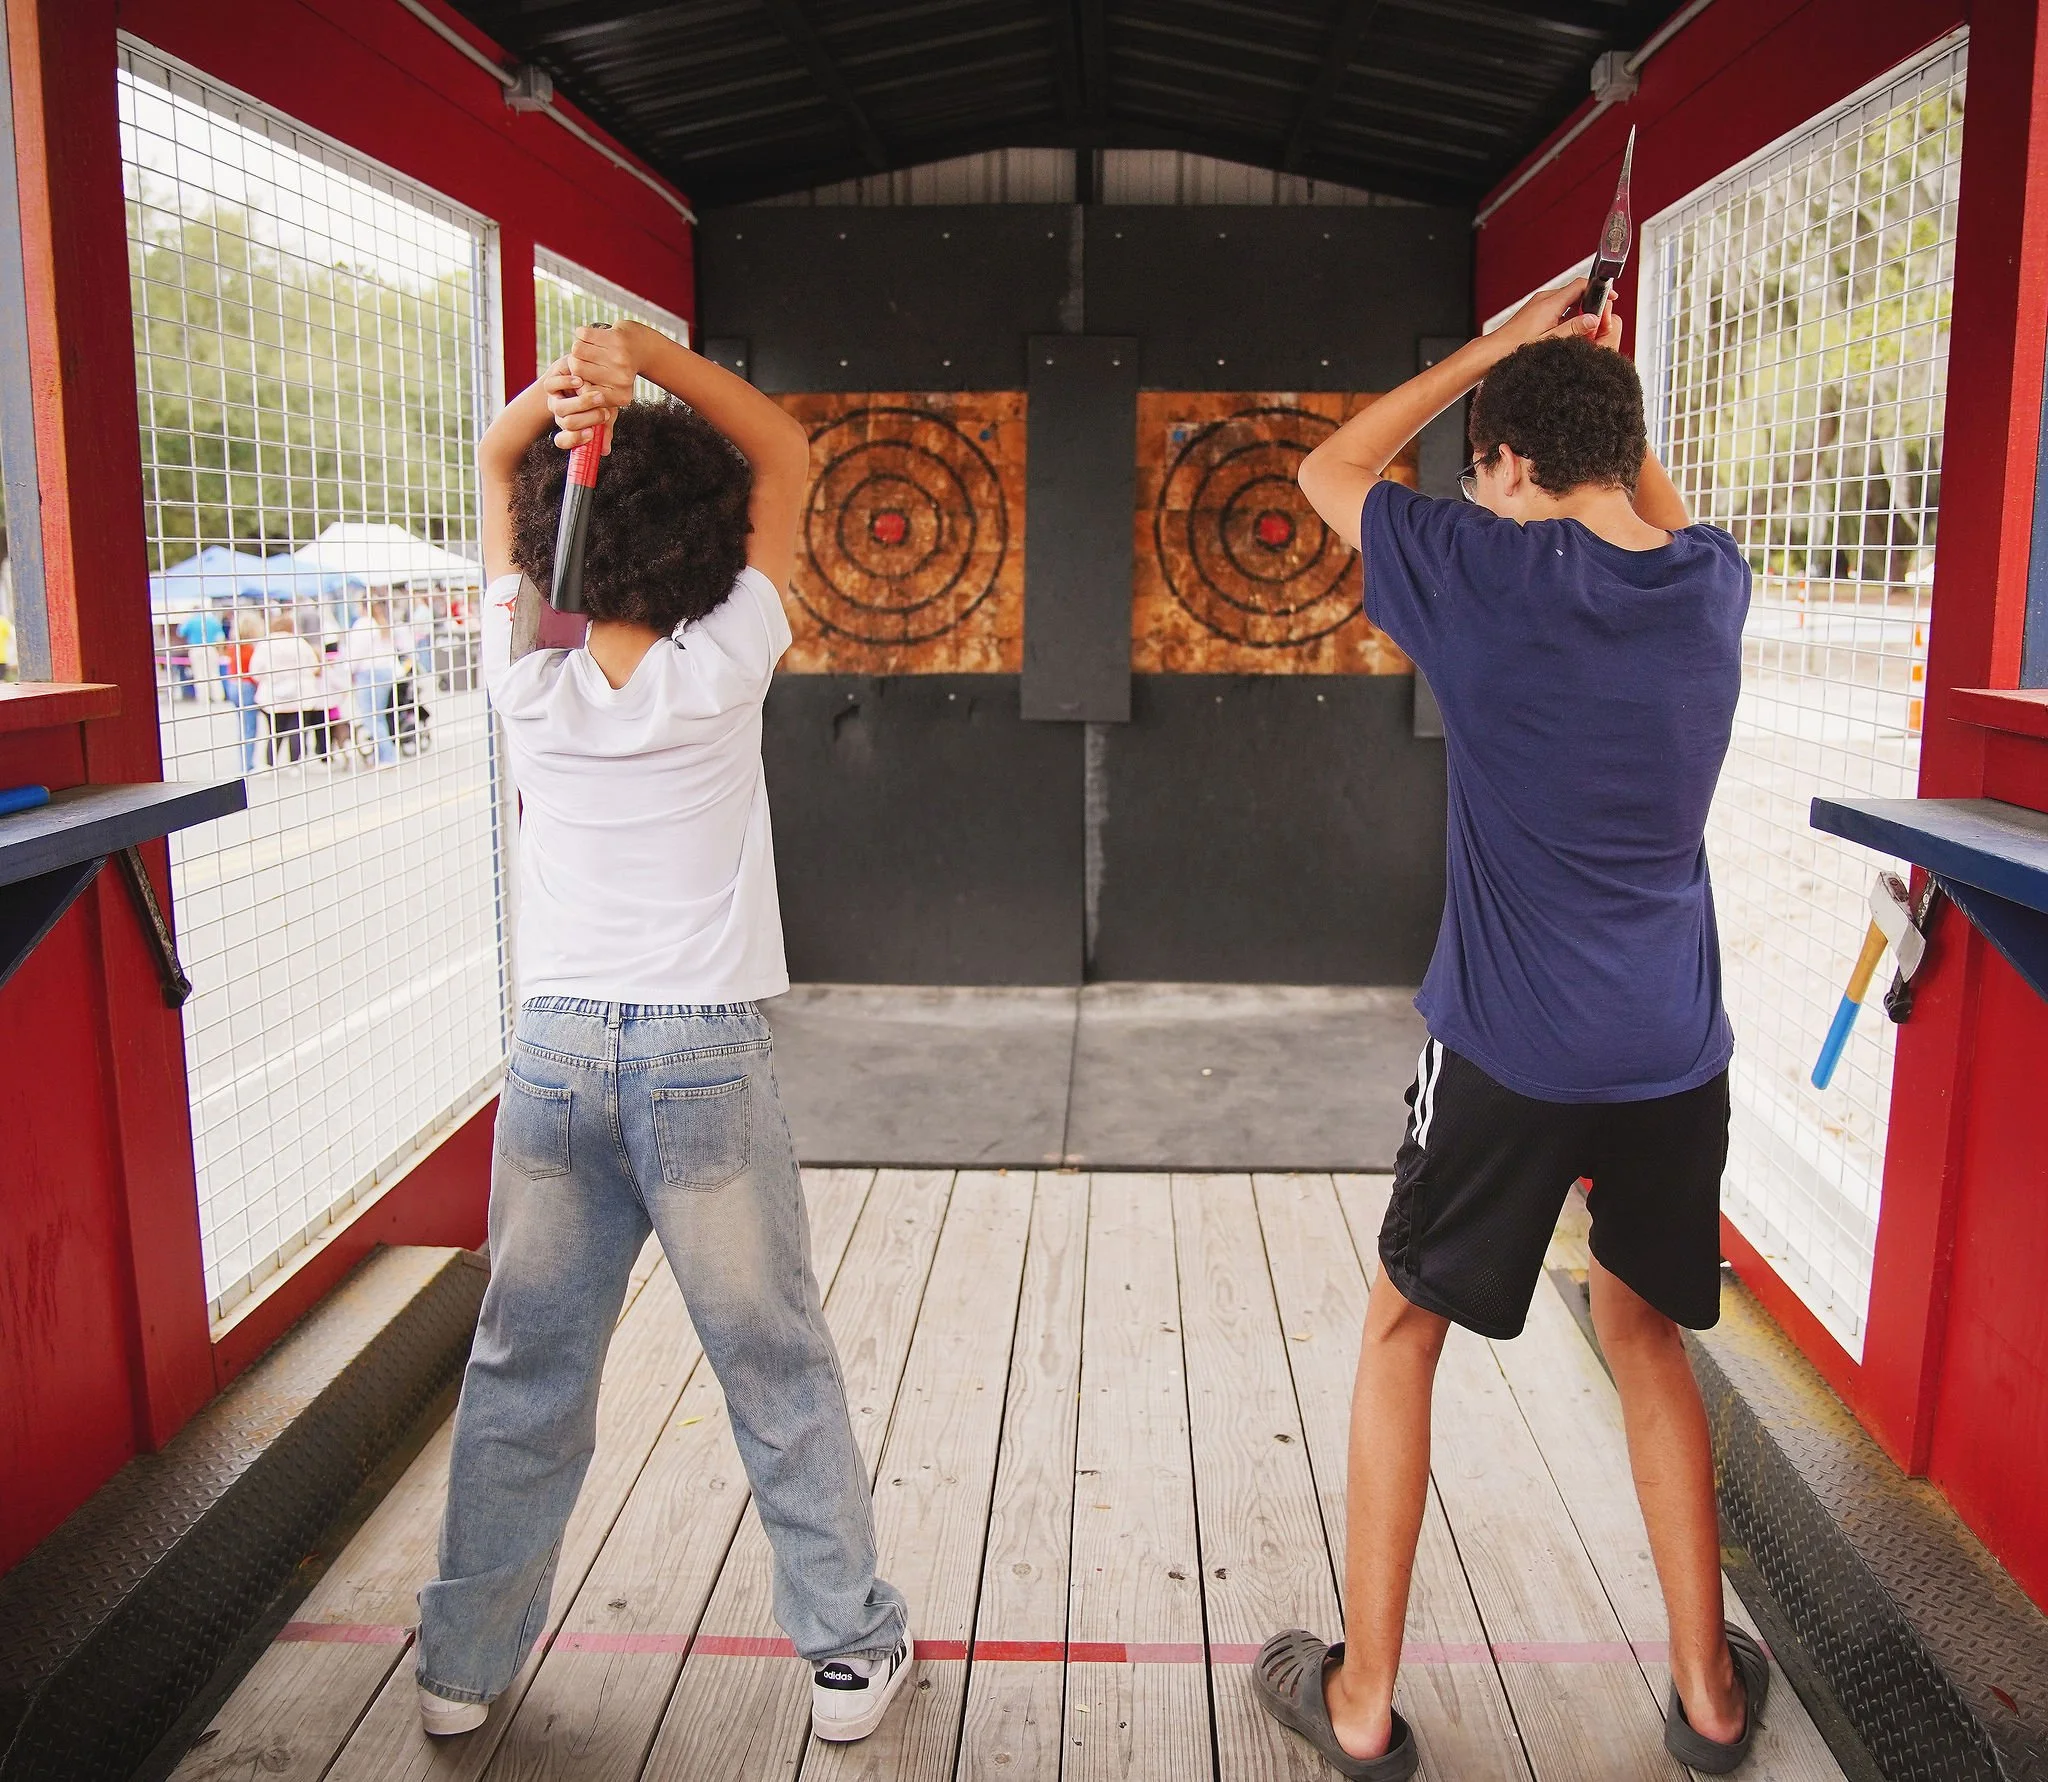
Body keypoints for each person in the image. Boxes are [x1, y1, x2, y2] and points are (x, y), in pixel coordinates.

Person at [1253, 277, 1766, 1781]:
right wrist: (1585, 397)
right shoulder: (1711, 585)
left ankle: (1359, 1704)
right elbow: (1641, 510)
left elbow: (1327, 471)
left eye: (1484, 462)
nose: (1472, 486)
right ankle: (1711, 1697)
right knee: (1645, 1328)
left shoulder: (1484, 576)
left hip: (1507, 1052)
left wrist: (1492, 352)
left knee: (1403, 1327)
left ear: (1508, 469)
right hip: (1674, 1054)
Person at [415, 321, 913, 1746]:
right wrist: (647, 361)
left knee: (524, 1364)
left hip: (555, 1055)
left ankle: (460, 1665)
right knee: (774, 1362)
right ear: (708, 537)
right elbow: (791, 452)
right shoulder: (724, 662)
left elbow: (501, 453)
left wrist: (566, 402)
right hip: (700, 1054)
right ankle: (843, 1657)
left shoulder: (527, 671)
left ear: (552, 536)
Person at [247, 612, 327, 765]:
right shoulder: (299, 643)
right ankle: (294, 763)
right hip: (299, 693)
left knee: (274, 731)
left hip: (273, 694)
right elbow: (314, 665)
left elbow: (255, 671)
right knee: (296, 730)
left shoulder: (266, 644)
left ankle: (270, 763)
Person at [344, 593, 400, 765]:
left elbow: (355, 654)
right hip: (385, 671)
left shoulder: (363, 625)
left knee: (371, 717)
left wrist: (348, 670)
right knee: (379, 716)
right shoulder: (381, 623)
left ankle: (387, 756)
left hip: (368, 673)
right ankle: (382, 754)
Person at [224, 610, 264, 773]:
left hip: (233, 684)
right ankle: (247, 765)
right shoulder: (251, 648)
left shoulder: (233, 646)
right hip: (247, 686)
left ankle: (246, 762)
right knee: (249, 727)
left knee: (243, 726)